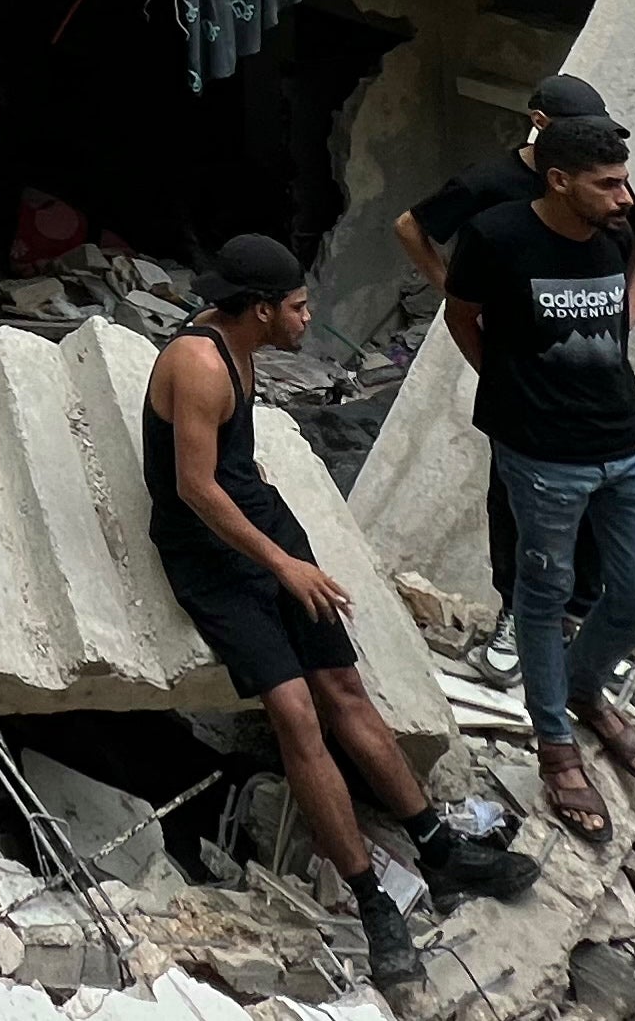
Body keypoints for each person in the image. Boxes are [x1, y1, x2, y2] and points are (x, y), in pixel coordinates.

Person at [147, 235, 540, 985]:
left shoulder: (237, 341)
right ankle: (371, 901)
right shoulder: (197, 361)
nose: (307, 316)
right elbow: (195, 488)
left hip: (261, 523)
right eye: (297, 306)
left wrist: (277, 532)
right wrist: (285, 565)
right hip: (210, 557)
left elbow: (230, 464)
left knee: (344, 690)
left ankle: (437, 848)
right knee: (294, 713)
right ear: (259, 309)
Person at [446, 114, 635, 847]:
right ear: (557, 180)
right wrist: (505, 385)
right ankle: (555, 747)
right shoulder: (498, 236)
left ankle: (581, 687)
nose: (622, 197)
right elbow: (461, 314)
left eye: (624, 181)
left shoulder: (615, 224)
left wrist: (631, 305)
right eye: (606, 184)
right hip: (543, 458)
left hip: (624, 442)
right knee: (540, 600)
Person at [395, 74, 635, 628]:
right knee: (517, 508)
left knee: (594, 514)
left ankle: (577, 619)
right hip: (523, 389)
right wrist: (458, 290)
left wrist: (632, 304)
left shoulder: (600, 190)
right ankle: (517, 616)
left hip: (597, 390)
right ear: (542, 130)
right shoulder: (491, 190)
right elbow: (411, 227)